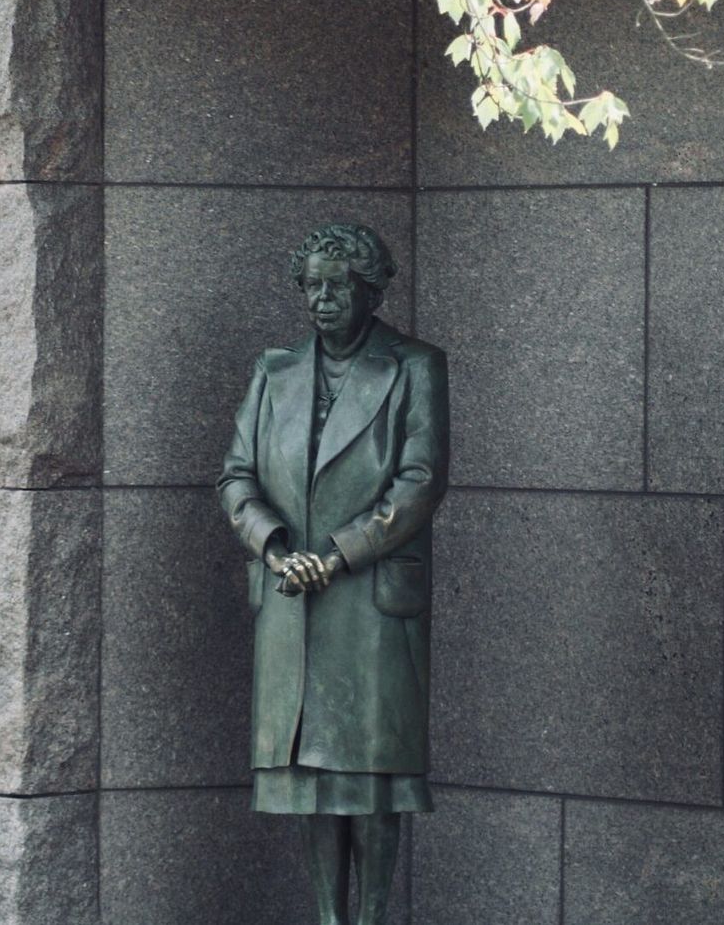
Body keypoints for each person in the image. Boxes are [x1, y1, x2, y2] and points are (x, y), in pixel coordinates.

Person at [217, 223, 449, 925]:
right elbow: (235, 477)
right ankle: (328, 918)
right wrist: (272, 544)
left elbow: (420, 480)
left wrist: (340, 552)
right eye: (312, 284)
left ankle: (373, 918)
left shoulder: (413, 365)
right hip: (291, 597)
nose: (321, 298)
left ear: (370, 290)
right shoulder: (274, 371)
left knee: (370, 781)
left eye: (338, 285)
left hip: (369, 599)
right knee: (311, 781)